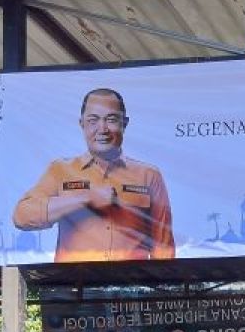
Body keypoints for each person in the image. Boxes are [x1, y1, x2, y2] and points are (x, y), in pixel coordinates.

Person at [13, 88, 175, 262]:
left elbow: (163, 247)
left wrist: (162, 286)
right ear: (82, 124)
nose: (102, 129)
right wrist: (86, 198)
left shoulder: (149, 176)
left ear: (124, 124)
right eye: (93, 120)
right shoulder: (59, 170)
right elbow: (22, 216)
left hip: (132, 286)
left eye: (111, 120)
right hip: (73, 286)